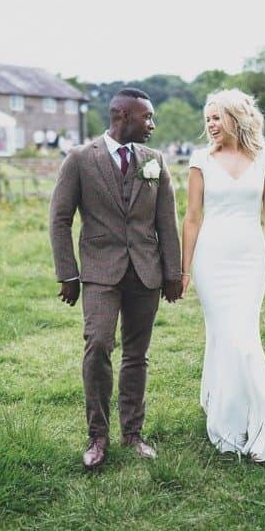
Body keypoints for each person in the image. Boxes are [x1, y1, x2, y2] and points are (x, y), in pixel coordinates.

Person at [49, 88, 184, 469]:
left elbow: (165, 222)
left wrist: (172, 274)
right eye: (147, 118)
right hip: (99, 273)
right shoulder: (79, 159)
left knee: (137, 355)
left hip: (146, 272)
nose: (153, 125)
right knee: (98, 346)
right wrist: (68, 274)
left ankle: (133, 433)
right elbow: (60, 219)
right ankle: (97, 435)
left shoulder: (155, 160)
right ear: (123, 116)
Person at [181, 88, 265, 463]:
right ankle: (227, 416)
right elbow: (192, 217)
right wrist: (184, 270)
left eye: (216, 117)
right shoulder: (200, 159)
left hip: (250, 260)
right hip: (211, 260)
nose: (210, 125)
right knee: (224, 334)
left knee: (244, 335)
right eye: (207, 119)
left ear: (236, 117)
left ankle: (254, 412)